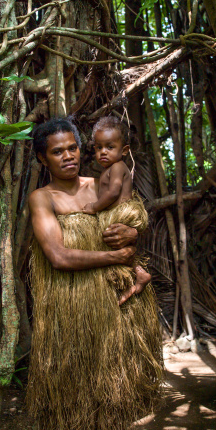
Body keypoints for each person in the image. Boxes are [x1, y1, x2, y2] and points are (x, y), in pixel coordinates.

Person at [26, 117, 163, 430]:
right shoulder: (41, 199)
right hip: (72, 311)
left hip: (118, 304)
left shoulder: (102, 183)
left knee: (116, 392)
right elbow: (59, 257)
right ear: (41, 158)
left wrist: (134, 234)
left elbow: (132, 219)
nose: (68, 156)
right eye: (57, 150)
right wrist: (116, 258)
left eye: (72, 147)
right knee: (78, 395)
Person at [82, 115, 152, 305]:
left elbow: (113, 193)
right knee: (121, 249)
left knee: (116, 244)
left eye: (110, 147)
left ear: (124, 150)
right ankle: (139, 273)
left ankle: (139, 273)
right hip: (117, 212)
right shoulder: (109, 169)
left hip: (121, 212)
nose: (103, 152)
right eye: (98, 147)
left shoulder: (118, 166)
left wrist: (94, 207)